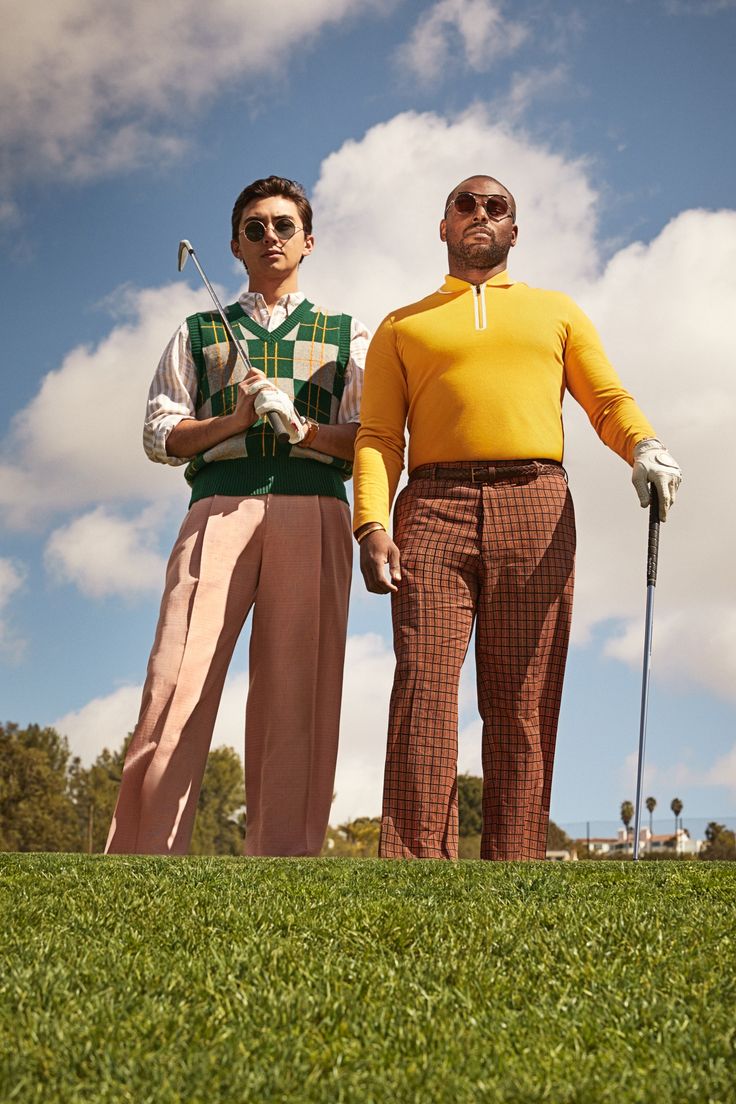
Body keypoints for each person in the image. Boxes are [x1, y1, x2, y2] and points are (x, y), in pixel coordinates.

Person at [353, 174, 682, 862]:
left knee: (523, 698)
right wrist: (371, 524)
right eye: (464, 205)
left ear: (514, 230)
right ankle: (415, 867)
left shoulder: (556, 311)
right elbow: (380, 438)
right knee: (424, 686)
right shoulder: (399, 325)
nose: (480, 214)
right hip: (432, 507)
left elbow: (606, 400)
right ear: (443, 227)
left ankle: (514, 865)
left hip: (536, 501)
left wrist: (644, 446)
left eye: (495, 207)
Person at [106, 175, 368, 856]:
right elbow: (159, 435)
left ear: (308, 241)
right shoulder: (198, 329)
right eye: (255, 227)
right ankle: (142, 856)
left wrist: (305, 430)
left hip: (314, 510)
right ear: (234, 245)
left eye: (284, 226)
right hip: (218, 507)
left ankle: (283, 861)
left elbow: (369, 439)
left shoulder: (346, 333)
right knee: (176, 677)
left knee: (299, 693)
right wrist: (236, 418)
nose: (270, 237)